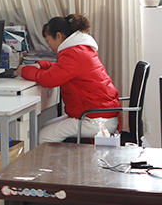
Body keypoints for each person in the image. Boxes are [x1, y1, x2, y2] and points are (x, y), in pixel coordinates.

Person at [18, 13, 119, 143]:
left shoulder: (73, 53)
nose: (49, 45)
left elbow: (49, 79)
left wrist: (23, 70)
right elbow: (63, 70)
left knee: (44, 136)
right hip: (98, 114)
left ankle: (61, 158)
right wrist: (41, 65)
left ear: (59, 36)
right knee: (46, 127)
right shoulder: (81, 49)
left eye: (48, 40)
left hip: (95, 119)